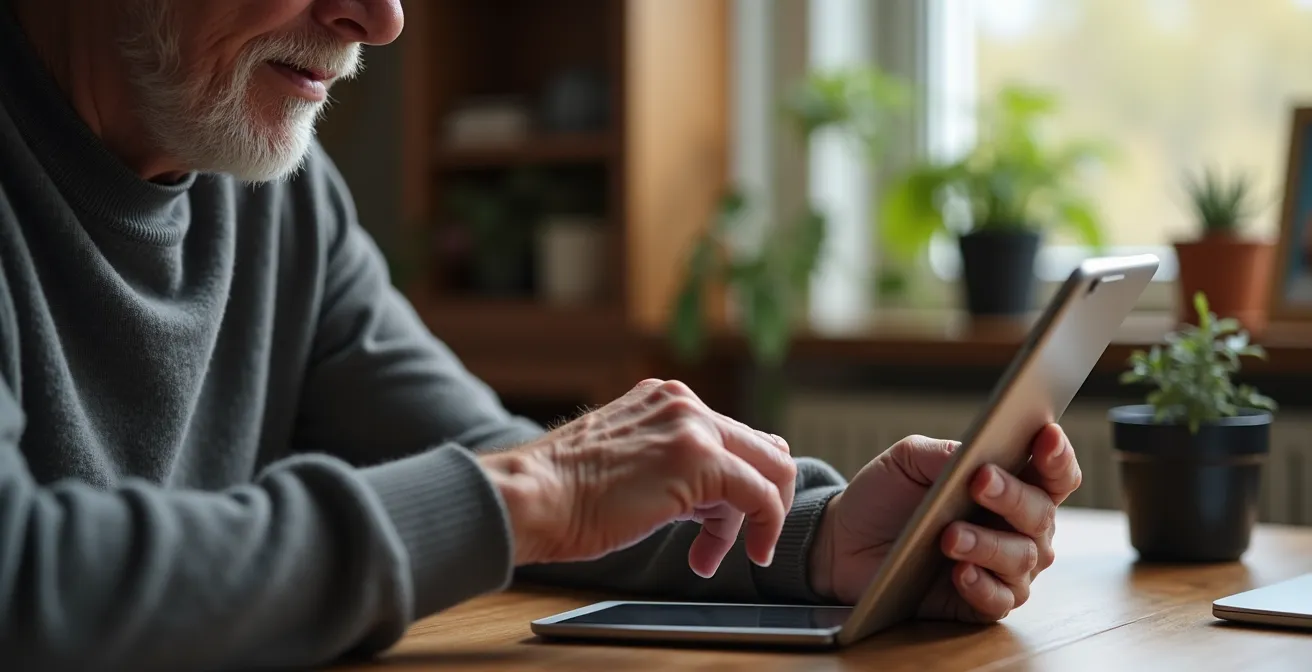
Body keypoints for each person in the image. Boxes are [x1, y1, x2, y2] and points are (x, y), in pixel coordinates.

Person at [0, 0, 1083, 670]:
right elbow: (23, 581)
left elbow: (486, 467)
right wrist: (535, 492)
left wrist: (814, 540)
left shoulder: (283, 202)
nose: (381, 17)